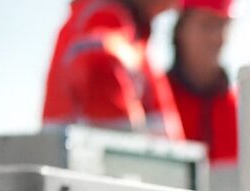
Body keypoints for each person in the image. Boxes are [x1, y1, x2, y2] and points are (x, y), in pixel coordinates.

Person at [43, 0, 184, 139]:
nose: (176, 5)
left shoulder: (134, 33)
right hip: (76, 155)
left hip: (82, 152)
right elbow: (100, 73)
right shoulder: (101, 17)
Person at [167, 0, 238, 166]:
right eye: (206, 25)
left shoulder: (241, 110)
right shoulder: (155, 100)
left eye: (222, 25)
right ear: (180, 30)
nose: (216, 37)